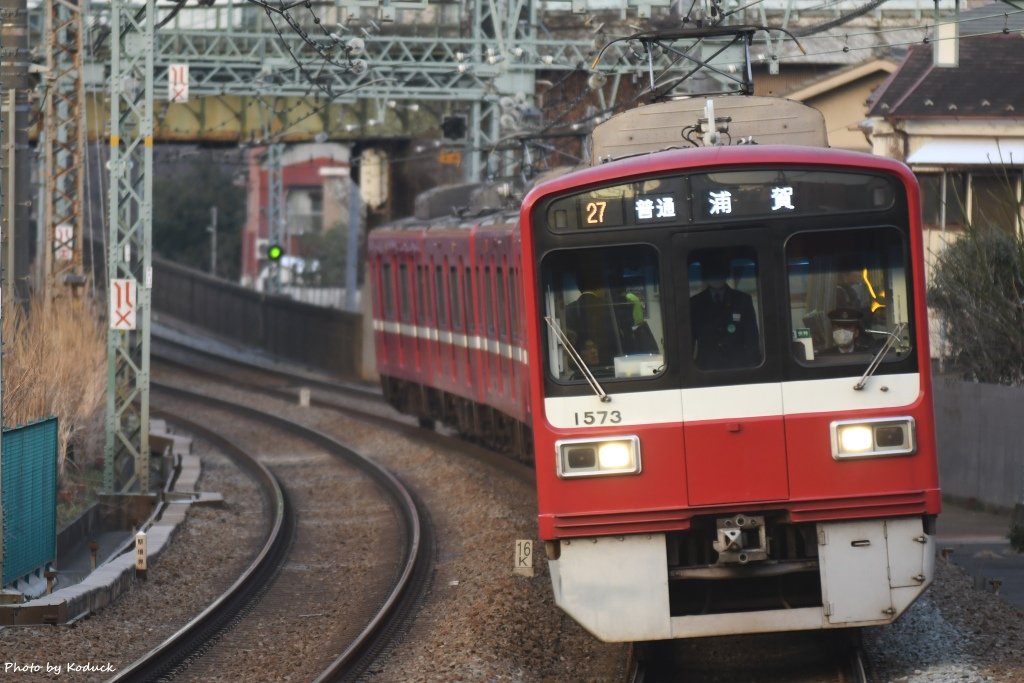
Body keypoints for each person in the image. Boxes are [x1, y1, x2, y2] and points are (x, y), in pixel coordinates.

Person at [689, 257, 760, 370]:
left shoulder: (742, 300)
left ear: (726, 273)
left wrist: (752, 366)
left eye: (719, 272)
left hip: (738, 366)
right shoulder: (695, 303)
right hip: (706, 369)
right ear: (706, 275)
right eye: (712, 272)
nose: (716, 276)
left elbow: (752, 337)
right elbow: (689, 339)